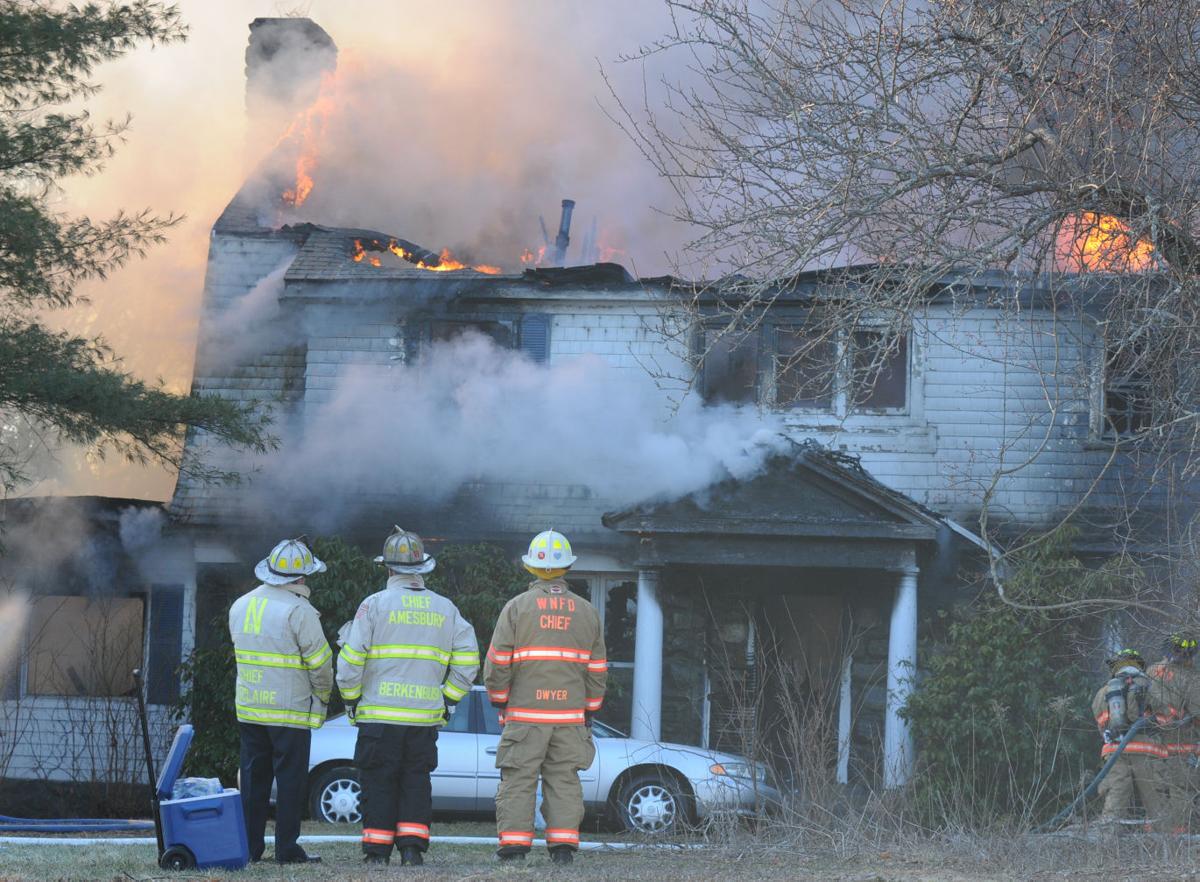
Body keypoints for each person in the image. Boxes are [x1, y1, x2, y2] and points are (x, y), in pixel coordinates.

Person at [336, 527, 479, 866]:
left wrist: (352, 701)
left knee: (378, 782)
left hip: (378, 718)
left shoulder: (373, 605)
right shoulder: (446, 608)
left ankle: (377, 854)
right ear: (422, 567)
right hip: (423, 719)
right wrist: (448, 700)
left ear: (388, 568)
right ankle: (412, 851)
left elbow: (350, 663)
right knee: (416, 783)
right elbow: (469, 661)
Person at [484, 530, 606, 865]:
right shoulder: (587, 612)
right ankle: (563, 850)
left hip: (524, 717)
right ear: (567, 567)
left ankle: (513, 849)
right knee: (564, 780)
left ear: (530, 567)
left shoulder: (517, 608)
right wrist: (589, 710)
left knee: (518, 779)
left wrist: (500, 701)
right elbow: (598, 670)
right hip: (570, 718)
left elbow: (497, 663)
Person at [229, 537, 332, 864]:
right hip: (289, 713)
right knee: (290, 784)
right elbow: (320, 664)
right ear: (301, 577)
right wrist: (322, 698)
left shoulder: (240, 605)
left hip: (250, 710)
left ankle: (250, 848)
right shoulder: (300, 611)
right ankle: (287, 849)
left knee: (253, 782)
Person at [1090, 648, 1166, 827]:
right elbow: (1165, 718)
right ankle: (1163, 837)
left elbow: (1101, 724)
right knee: (1155, 797)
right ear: (1139, 664)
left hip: (1114, 751)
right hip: (1146, 750)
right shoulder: (1150, 685)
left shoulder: (1104, 691)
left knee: (1116, 793)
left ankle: (1108, 834)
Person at [1148, 633, 1200, 831]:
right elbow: (1198, 713)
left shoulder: (1152, 671)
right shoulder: (1192, 677)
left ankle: (1154, 835)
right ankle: (1180, 836)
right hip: (1182, 744)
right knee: (1181, 789)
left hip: (1153, 745)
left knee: (1155, 790)